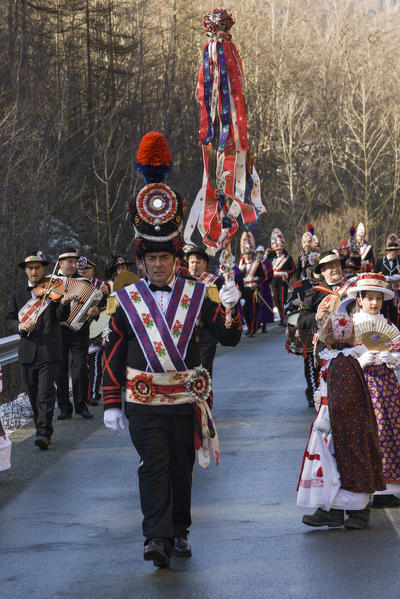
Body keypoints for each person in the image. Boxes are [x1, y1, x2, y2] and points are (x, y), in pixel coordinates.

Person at [102, 132, 242, 569]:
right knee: (152, 465)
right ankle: (156, 538)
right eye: (152, 259)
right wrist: (111, 401)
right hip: (143, 400)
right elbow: (112, 351)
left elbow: (228, 337)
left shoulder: (199, 295)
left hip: (185, 400)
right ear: (142, 261)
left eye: (166, 258)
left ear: (176, 259)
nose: (159, 264)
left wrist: (233, 307)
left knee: (181, 470)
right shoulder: (125, 302)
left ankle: (179, 528)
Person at [298, 313, 385, 529]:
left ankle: (357, 512)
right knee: (334, 464)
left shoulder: (342, 361)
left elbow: (344, 398)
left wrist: (332, 421)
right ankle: (332, 510)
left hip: (341, 421)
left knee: (347, 461)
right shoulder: (342, 359)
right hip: (337, 418)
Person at [5, 251, 73, 449]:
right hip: (27, 353)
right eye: (30, 268)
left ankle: (43, 432)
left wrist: (64, 303)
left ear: (44, 269)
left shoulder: (54, 292)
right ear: (26, 271)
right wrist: (20, 326)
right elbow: (8, 320)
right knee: (34, 395)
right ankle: (41, 428)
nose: (34, 271)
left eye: (38, 267)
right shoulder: (17, 295)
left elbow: (61, 316)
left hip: (49, 351)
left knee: (45, 393)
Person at [347, 272, 400, 507]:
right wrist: (362, 360)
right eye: (369, 298)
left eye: (377, 298)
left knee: (392, 429)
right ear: (359, 299)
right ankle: (370, 488)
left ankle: (389, 487)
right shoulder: (352, 326)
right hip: (362, 384)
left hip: (387, 384)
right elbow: (340, 360)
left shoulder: (388, 325)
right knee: (370, 431)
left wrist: (392, 358)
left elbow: (398, 355)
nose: (374, 303)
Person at [56, 248, 100, 420]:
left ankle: (81, 406)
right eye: (70, 262)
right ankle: (65, 408)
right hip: (58, 330)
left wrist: (95, 312)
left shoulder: (84, 282)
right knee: (60, 369)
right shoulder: (53, 282)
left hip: (79, 330)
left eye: (75, 262)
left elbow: (96, 304)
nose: (73, 265)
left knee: (80, 368)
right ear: (60, 263)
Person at [297, 250, 355, 368]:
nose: (335, 269)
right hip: (326, 346)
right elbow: (301, 321)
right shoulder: (314, 293)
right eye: (330, 267)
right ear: (322, 271)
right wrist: (317, 316)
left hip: (353, 341)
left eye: (337, 265)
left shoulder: (353, 286)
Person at [185, 245, 223, 408]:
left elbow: (217, 308)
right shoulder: (182, 281)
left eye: (198, 262)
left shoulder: (214, 282)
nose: (195, 265)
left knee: (204, 371)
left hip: (206, 334)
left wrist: (202, 319)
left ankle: (206, 406)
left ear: (205, 264)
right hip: (186, 336)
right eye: (192, 262)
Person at [285, 252, 320, 406]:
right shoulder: (300, 285)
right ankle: (312, 392)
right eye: (309, 268)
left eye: (314, 268)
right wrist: (294, 302)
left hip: (324, 330)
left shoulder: (324, 284)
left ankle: (323, 391)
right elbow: (288, 305)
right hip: (307, 330)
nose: (311, 271)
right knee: (310, 363)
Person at [77, 256, 110, 406]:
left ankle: (94, 394)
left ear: (93, 270)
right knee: (80, 367)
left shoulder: (102, 286)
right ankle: (83, 394)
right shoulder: (74, 286)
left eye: (86, 270)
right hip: (77, 334)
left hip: (96, 332)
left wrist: (104, 300)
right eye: (80, 271)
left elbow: (111, 308)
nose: (83, 273)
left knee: (95, 365)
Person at [238, 232, 265, 336]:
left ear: (252, 254)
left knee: (254, 311)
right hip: (244, 291)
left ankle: (253, 330)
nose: (248, 256)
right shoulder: (241, 266)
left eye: (249, 253)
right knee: (244, 311)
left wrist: (257, 284)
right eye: (246, 254)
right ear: (243, 255)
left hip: (254, 290)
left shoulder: (257, 264)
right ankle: (250, 327)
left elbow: (263, 277)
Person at [268, 228, 295, 325]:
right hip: (274, 281)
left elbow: (293, 269)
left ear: (283, 248)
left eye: (279, 249)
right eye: (276, 250)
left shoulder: (288, 258)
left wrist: (287, 274)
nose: (278, 251)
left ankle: (285, 318)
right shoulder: (272, 258)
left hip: (283, 281)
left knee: (283, 300)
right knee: (277, 300)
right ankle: (281, 317)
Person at [375, 233, 400, 328]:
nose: (396, 252)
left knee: (395, 312)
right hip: (383, 291)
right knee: (382, 311)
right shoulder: (380, 261)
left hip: (395, 292)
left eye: (397, 250)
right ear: (388, 251)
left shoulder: (399, 261)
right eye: (394, 250)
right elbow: (375, 274)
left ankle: (396, 331)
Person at [255, 246, 274, 333]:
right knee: (257, 304)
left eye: (261, 253)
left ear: (263, 253)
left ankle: (264, 325)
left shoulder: (267, 263)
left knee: (265, 304)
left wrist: (268, 282)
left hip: (265, 285)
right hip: (257, 285)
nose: (259, 255)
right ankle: (257, 323)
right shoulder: (254, 263)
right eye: (258, 253)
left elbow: (270, 273)